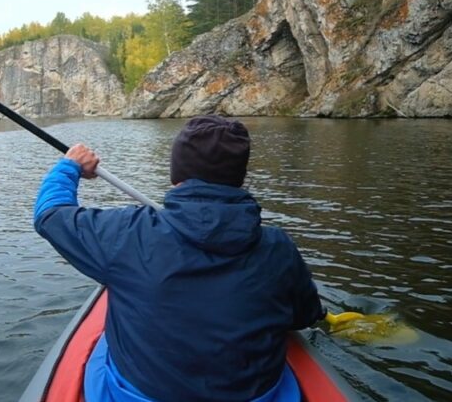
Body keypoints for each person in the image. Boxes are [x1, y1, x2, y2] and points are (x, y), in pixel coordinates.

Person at [33, 115, 325, 402]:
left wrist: (69, 166)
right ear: (239, 177)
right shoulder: (278, 248)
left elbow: (50, 215)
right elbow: (304, 316)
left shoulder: (127, 234)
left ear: (176, 174)